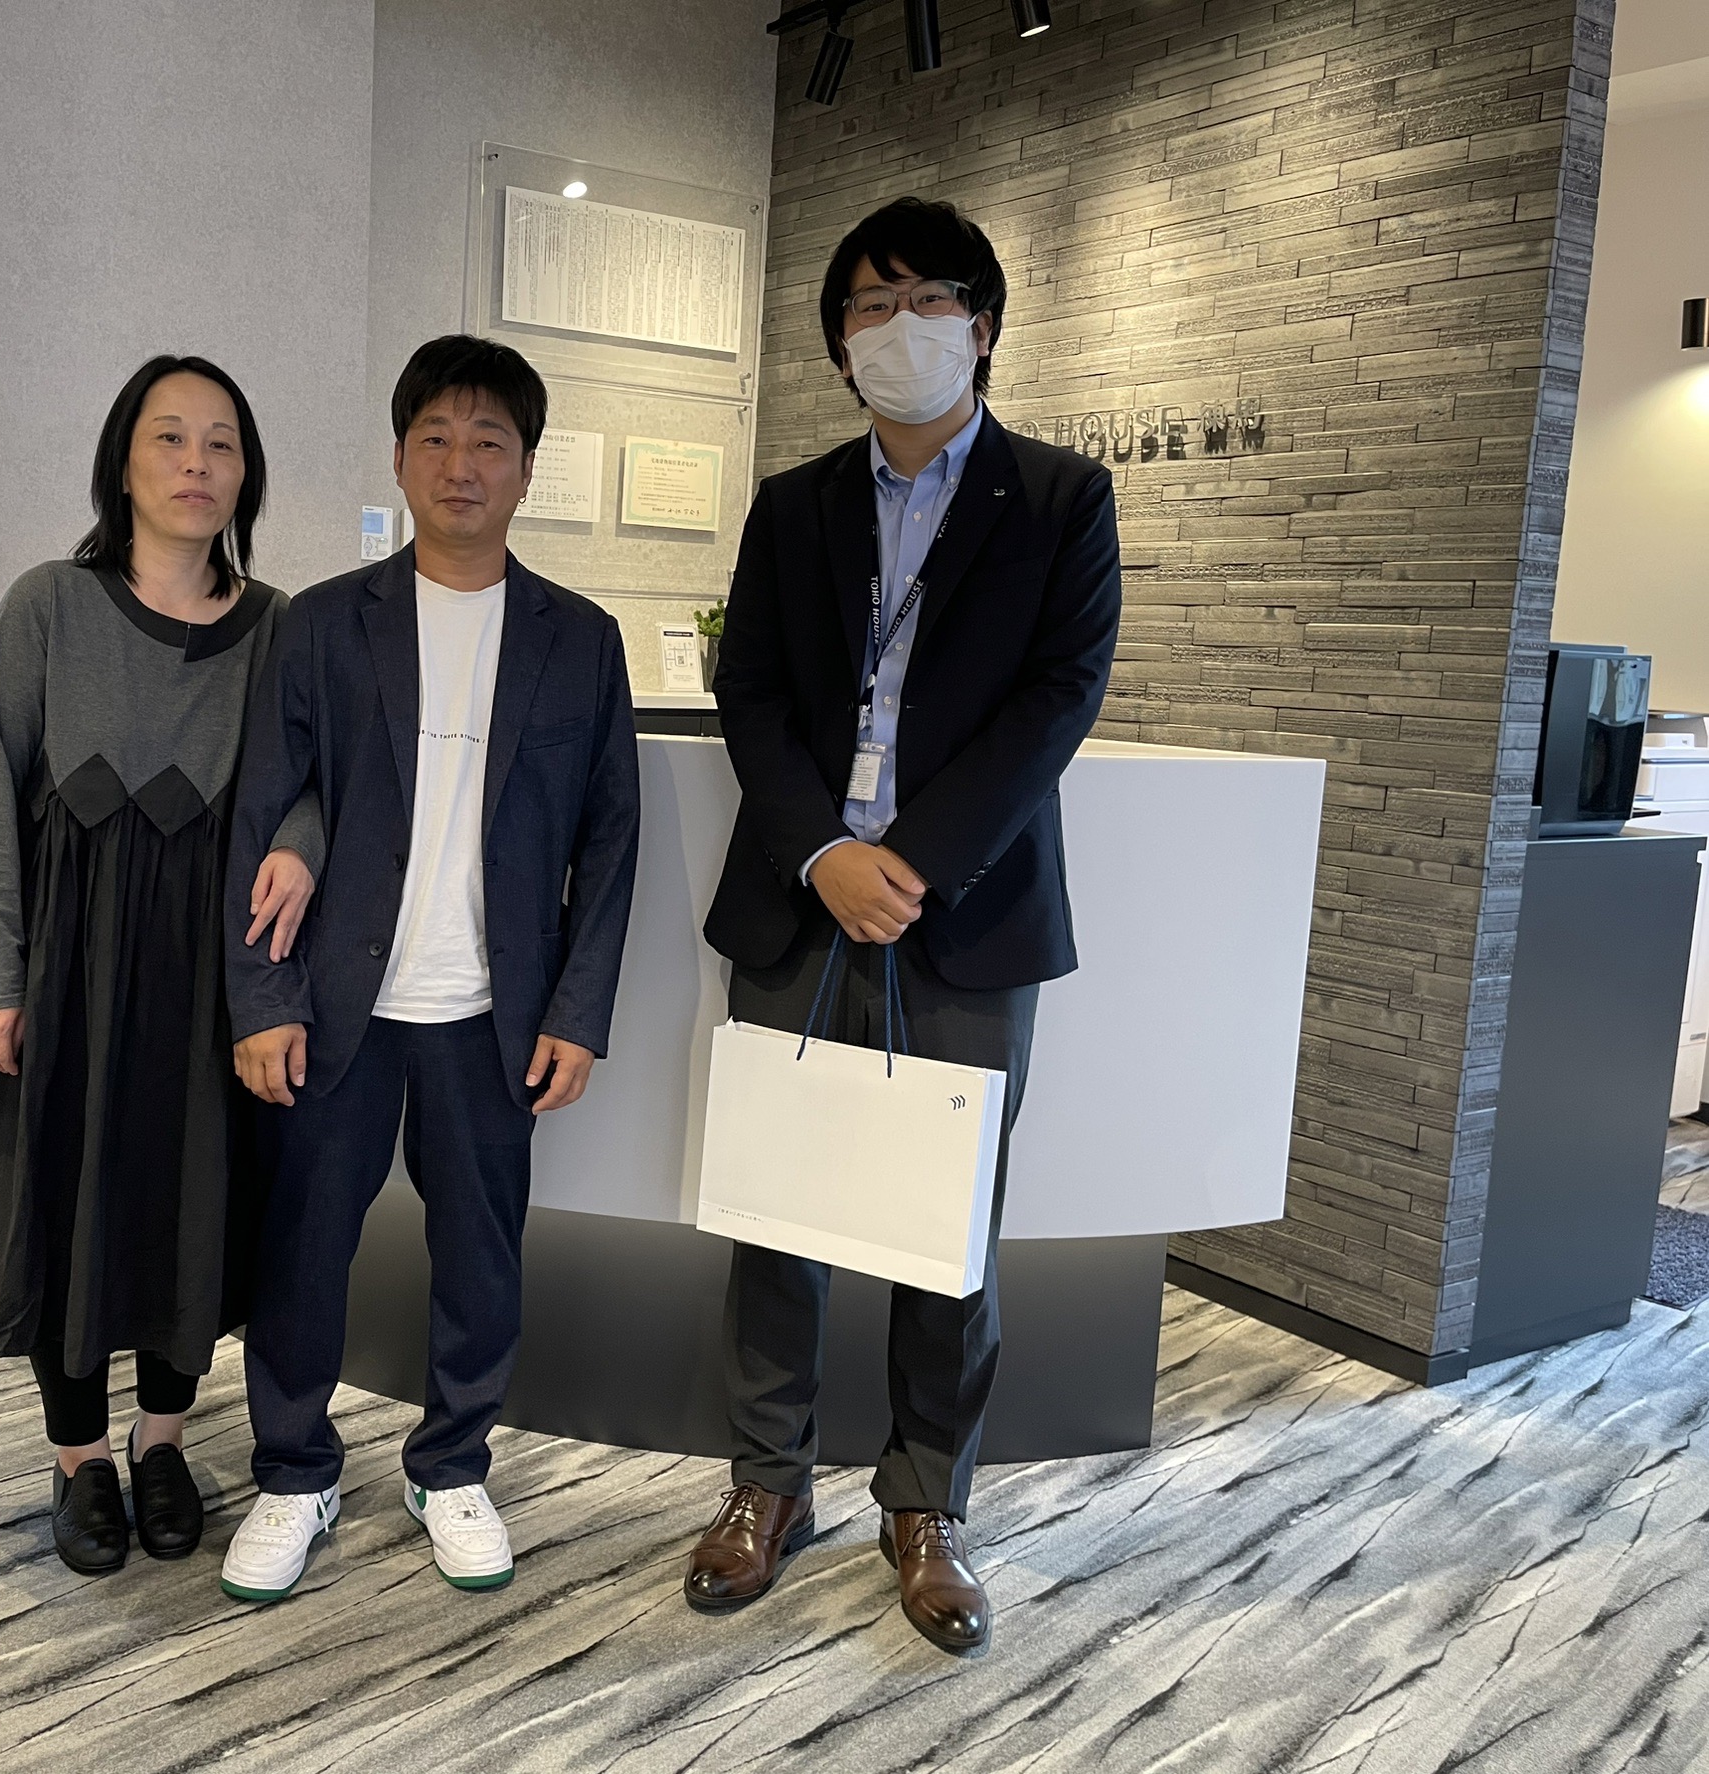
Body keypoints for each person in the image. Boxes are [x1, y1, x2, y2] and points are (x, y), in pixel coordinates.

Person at [684, 197, 1121, 1653]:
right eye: (868, 306)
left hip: (966, 914)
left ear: (982, 325)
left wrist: (911, 860)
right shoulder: (792, 502)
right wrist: (822, 851)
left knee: (947, 1228)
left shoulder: (1062, 500)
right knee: (775, 1210)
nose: (898, 326)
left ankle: (926, 1501)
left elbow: (1057, 700)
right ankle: (768, 1482)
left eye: (927, 297)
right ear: (839, 344)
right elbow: (749, 689)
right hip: (798, 903)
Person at [215, 335, 640, 1603]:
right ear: (400, 458)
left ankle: (451, 1464)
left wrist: (580, 1012)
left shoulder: (582, 639)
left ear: (527, 468)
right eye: (437, 438)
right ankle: (295, 1470)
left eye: (490, 441)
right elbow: (263, 813)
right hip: (338, 1005)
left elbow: (613, 840)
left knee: (482, 1258)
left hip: (491, 1013)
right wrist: (261, 1000)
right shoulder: (322, 624)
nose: (463, 465)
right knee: (303, 1251)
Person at [0, 355, 324, 1579]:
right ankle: (79, 1457)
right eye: (170, 437)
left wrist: (303, 845)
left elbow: (319, 779)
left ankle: (163, 1441)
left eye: (221, 442)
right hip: (69, 969)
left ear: (247, 473)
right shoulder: (47, 605)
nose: (196, 464)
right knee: (64, 1204)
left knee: (185, 1204)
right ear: (123, 460)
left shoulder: (279, 627)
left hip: (208, 979)